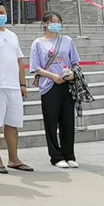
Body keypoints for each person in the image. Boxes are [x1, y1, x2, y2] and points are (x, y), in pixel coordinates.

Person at [0, 1, 33, 174]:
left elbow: (20, 61)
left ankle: (14, 159)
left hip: (13, 87)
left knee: (13, 125)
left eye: (2, 12)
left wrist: (22, 84)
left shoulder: (12, 35)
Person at [30, 11, 81, 169]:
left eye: (59, 21)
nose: (56, 24)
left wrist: (72, 73)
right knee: (51, 121)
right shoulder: (38, 43)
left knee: (68, 120)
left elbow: (75, 62)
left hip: (67, 84)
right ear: (44, 24)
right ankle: (55, 156)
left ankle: (69, 154)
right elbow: (35, 68)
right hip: (49, 85)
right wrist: (52, 76)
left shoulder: (67, 41)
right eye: (53, 21)